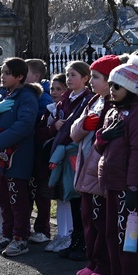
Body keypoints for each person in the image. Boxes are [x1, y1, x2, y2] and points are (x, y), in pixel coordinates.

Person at [95, 54, 138, 275]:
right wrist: (103, 137)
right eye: (110, 85)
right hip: (111, 182)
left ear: (130, 88)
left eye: (117, 86)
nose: (112, 90)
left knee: (126, 236)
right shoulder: (113, 112)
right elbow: (100, 146)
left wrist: (132, 187)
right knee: (111, 234)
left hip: (126, 186)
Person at [0, 57, 41, 257]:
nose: (2, 77)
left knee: (17, 200)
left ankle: (20, 238)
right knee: (3, 199)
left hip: (16, 157)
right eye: (2, 73)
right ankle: (6, 234)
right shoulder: (1, 95)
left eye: (7, 73)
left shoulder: (27, 97)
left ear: (20, 76)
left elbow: (24, 125)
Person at [69, 55, 118, 275]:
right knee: (88, 218)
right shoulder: (93, 101)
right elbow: (74, 131)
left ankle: (105, 266)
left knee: (101, 222)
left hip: (99, 171)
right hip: (85, 167)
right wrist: (83, 125)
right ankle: (93, 261)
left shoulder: (112, 104)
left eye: (96, 77)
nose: (92, 82)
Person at [45, 61, 92, 253]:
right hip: (61, 152)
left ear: (85, 78)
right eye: (67, 74)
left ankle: (78, 238)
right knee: (65, 196)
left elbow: (77, 127)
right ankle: (68, 236)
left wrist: (62, 128)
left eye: (73, 75)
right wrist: (54, 125)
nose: (69, 78)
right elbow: (53, 124)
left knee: (75, 196)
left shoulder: (86, 99)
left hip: (74, 152)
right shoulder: (65, 99)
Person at [25, 58, 54, 244]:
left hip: (40, 153)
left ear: (35, 76)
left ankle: (43, 229)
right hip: (31, 152)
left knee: (41, 194)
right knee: (30, 190)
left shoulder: (42, 97)